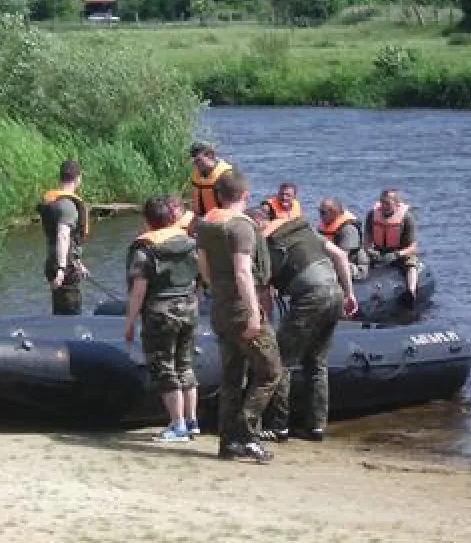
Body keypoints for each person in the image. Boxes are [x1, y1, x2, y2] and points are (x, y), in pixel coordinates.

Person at [196, 168, 283, 464]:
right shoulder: (241, 227)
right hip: (241, 308)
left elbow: (204, 267)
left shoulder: (206, 224)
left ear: (218, 195)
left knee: (232, 378)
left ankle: (227, 442)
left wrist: (213, 290)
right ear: (245, 195)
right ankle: (246, 434)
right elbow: (244, 272)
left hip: (219, 307)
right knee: (271, 372)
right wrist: (253, 314)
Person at [256, 213, 358, 443]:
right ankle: (316, 427)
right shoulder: (303, 231)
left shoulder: (266, 246)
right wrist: (350, 294)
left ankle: (278, 426)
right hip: (334, 292)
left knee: (281, 361)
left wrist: (263, 325)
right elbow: (341, 256)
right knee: (317, 363)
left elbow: (265, 297)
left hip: (310, 298)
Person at [124, 196, 201, 442]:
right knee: (185, 364)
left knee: (165, 368)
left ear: (147, 220)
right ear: (172, 217)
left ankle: (177, 425)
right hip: (189, 308)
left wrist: (129, 323)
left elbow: (139, 290)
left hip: (161, 313)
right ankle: (192, 421)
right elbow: (200, 277)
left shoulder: (145, 249)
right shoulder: (189, 242)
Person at [39, 159, 90, 316]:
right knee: (70, 313)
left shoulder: (55, 202)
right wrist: (62, 269)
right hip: (64, 268)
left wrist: (79, 263)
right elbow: (63, 236)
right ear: (78, 178)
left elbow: (69, 241)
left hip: (56, 262)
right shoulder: (67, 205)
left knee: (60, 310)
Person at [364, 189, 419, 306]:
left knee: (411, 264)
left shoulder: (407, 218)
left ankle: (411, 292)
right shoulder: (372, 215)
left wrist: (396, 255)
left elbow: (412, 247)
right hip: (378, 251)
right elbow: (367, 239)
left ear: (397, 204)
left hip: (400, 252)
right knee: (361, 258)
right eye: (382, 202)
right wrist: (370, 251)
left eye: (388, 203)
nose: (384, 206)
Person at [316, 197, 368, 278]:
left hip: (354, 266)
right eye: (319, 211)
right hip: (331, 261)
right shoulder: (325, 225)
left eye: (323, 212)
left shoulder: (348, 229)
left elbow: (343, 257)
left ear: (334, 212)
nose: (320, 215)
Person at [188, 141, 233, 222]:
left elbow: (233, 204)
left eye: (198, 160)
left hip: (221, 220)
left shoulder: (226, 175)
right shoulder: (196, 173)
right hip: (201, 220)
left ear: (210, 155)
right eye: (194, 160)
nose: (196, 164)